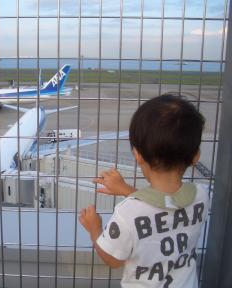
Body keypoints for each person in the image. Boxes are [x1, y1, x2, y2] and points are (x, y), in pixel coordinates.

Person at [79, 94, 208, 288]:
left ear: (137, 155)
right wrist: (126, 190)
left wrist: (94, 229)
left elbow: (113, 260)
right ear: (195, 156)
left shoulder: (127, 213)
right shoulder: (201, 195)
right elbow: (166, 206)